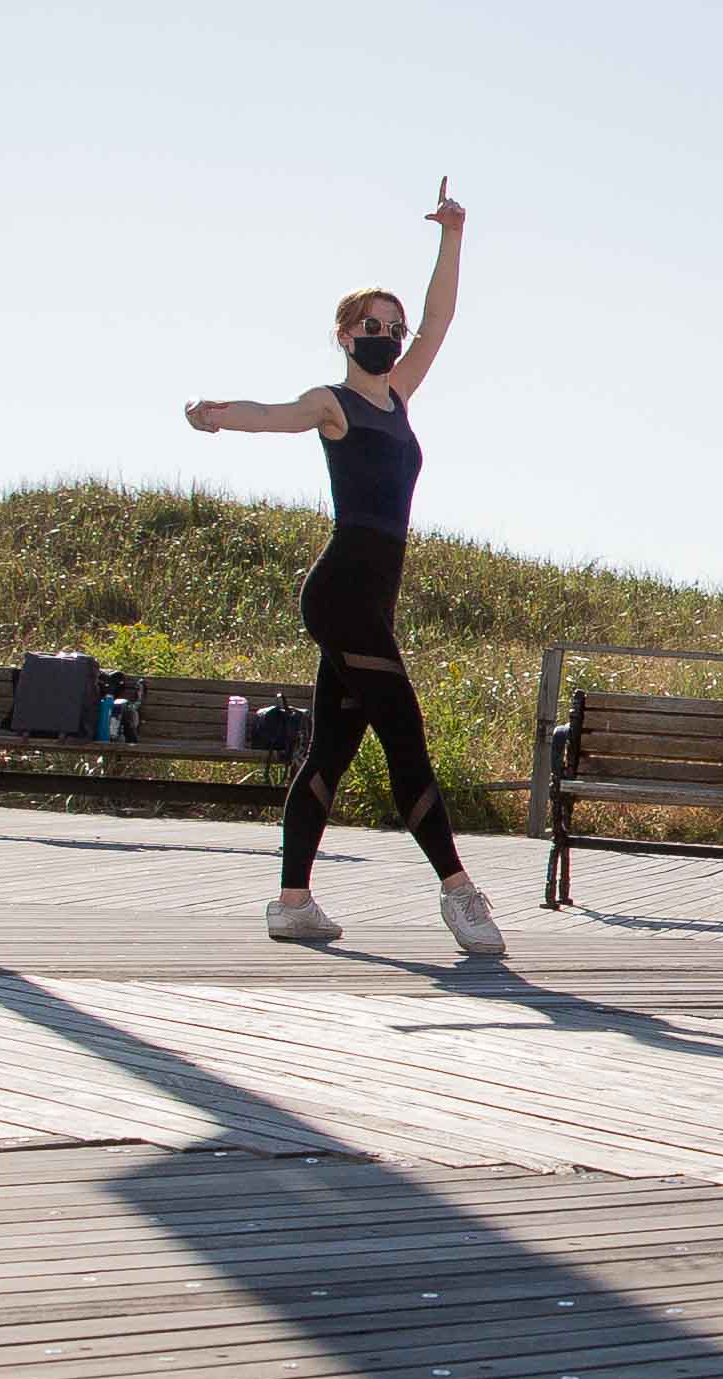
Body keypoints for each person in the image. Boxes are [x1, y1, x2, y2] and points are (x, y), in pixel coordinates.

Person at [182, 181, 502, 961]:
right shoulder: (334, 403)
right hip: (341, 595)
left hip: (372, 601)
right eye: (372, 326)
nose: (388, 335)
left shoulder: (398, 395)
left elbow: (442, 319)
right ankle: (459, 891)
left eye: (392, 328)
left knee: (332, 746)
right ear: (344, 333)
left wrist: (452, 235)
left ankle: (293, 902)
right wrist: (221, 413)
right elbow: (275, 415)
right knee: (407, 735)